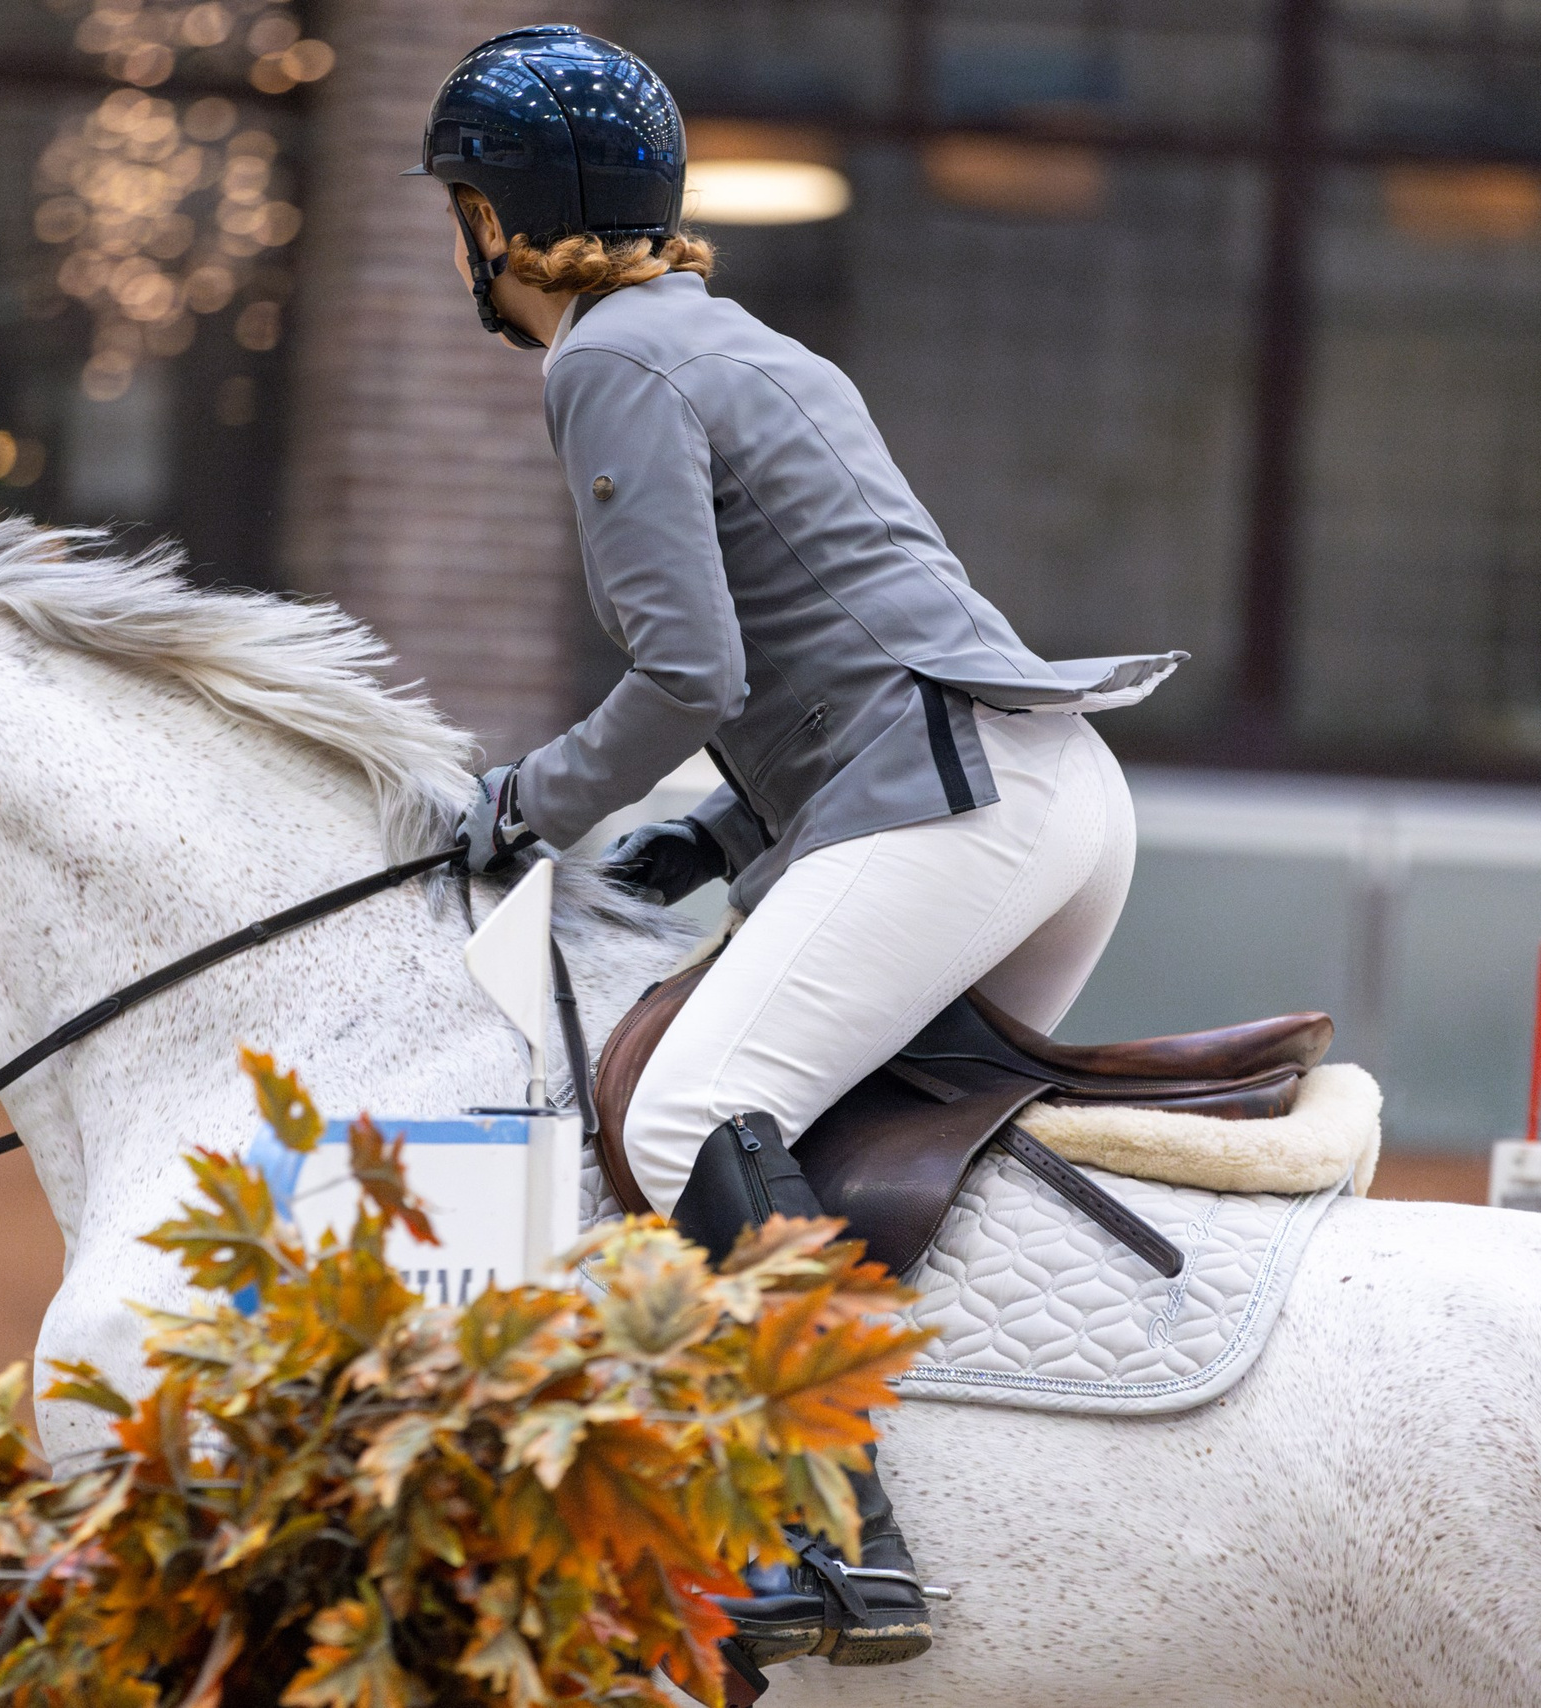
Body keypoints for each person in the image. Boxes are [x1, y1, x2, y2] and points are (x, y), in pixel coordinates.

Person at [420, 25, 1184, 1684]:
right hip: (1050, 793)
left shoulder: (600, 359)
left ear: (494, 222)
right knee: (832, 1132)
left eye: (461, 213)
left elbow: (694, 671)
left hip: (956, 803)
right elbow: (847, 618)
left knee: (696, 1105)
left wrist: (523, 804)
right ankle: (982, 1470)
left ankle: (823, 1531)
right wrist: (716, 825)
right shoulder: (739, 339)